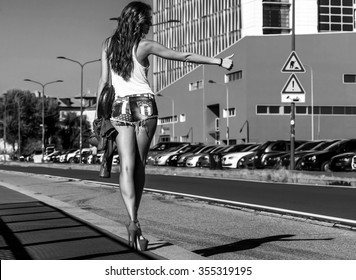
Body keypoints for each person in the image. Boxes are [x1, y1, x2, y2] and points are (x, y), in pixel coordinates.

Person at [97, 1, 234, 251]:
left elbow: (104, 82)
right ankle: (135, 223)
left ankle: (132, 221)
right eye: (148, 20)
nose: (150, 24)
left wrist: (100, 116)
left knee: (125, 166)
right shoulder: (145, 45)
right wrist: (219, 61)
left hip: (118, 107)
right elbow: (184, 56)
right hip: (144, 106)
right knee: (139, 164)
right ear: (140, 22)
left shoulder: (107, 45)